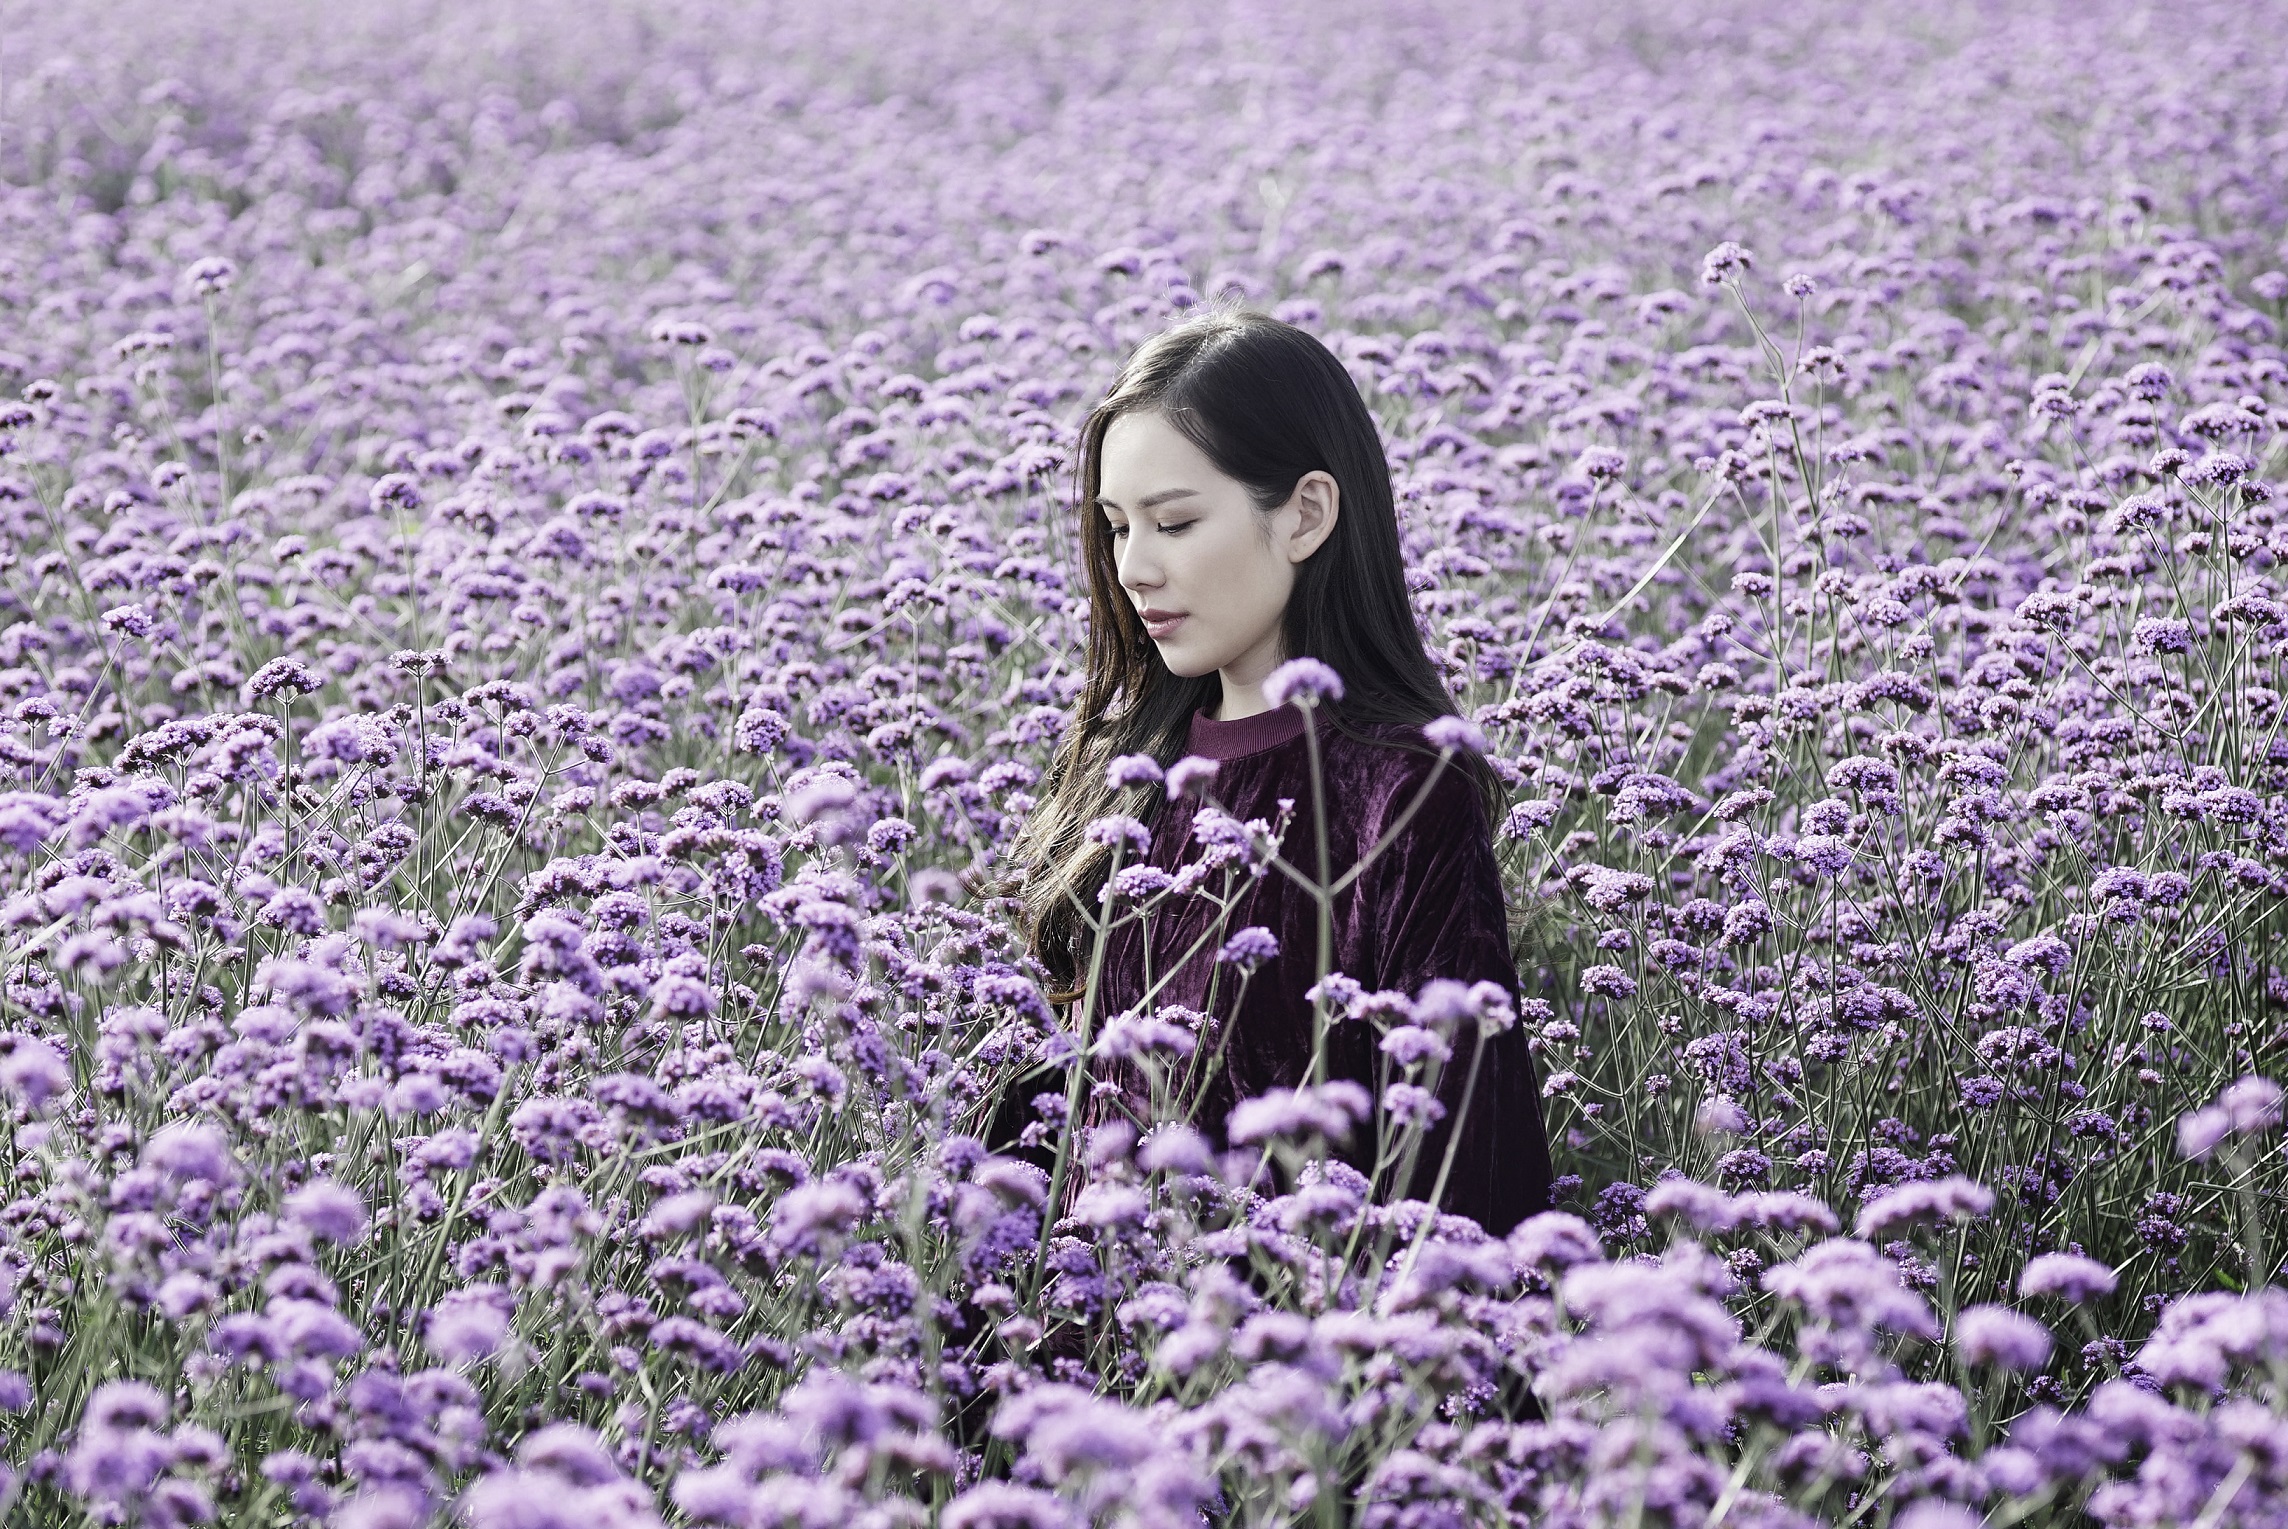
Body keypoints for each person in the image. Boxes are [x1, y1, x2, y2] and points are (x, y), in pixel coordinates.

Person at [1001, 306, 1553, 1237]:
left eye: (1173, 522)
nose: (1133, 569)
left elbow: (1468, 1171)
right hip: (1083, 1345)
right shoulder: (1126, 769)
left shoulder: (1404, 793)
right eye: (1116, 526)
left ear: (1305, 514)